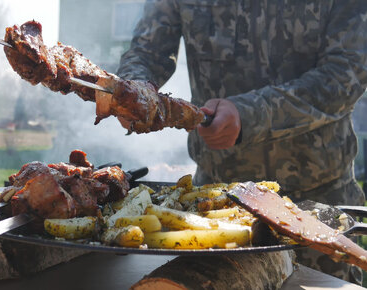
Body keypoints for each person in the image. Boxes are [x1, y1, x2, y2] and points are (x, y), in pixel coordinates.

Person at [116, 0, 367, 284]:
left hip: (314, 204)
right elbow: (146, 52)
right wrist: (133, 91)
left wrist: (250, 115)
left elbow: (346, 74)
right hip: (217, 209)